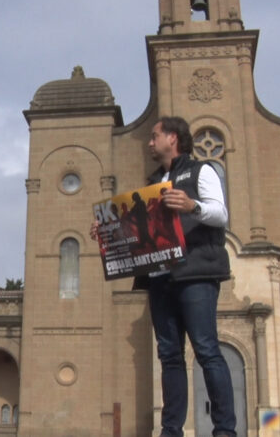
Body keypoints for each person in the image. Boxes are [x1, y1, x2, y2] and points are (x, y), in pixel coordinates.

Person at [91, 116, 236, 437]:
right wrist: (108, 231)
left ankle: (225, 430)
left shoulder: (202, 171)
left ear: (173, 138)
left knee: (206, 349)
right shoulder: (152, 182)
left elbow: (220, 212)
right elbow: (143, 230)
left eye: (155, 136)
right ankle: (171, 430)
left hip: (196, 273)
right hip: (160, 278)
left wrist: (191, 204)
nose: (149, 142)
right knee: (169, 356)